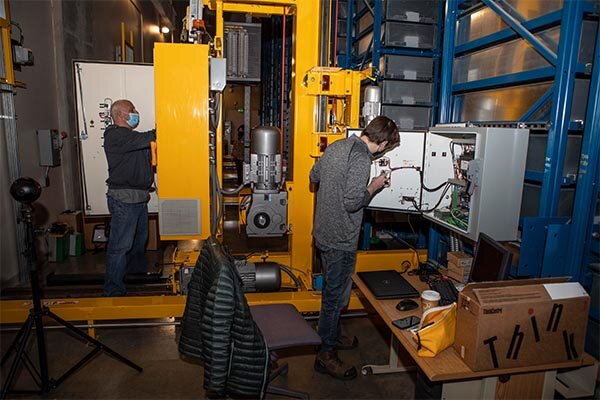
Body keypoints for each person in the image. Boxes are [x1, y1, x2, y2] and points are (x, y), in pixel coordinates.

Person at [310, 116, 400, 380]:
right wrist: (373, 187)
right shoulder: (361, 158)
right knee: (334, 298)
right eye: (387, 147)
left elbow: (313, 175)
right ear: (382, 143)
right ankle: (325, 354)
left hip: (324, 232)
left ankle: (333, 335)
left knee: (332, 290)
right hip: (340, 238)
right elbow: (352, 202)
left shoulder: (337, 146)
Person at [103, 99, 156, 296]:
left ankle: (135, 276)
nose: (136, 112)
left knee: (139, 241)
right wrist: (167, 127)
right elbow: (149, 137)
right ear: (121, 115)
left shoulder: (131, 138)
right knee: (120, 246)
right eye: (132, 109)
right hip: (124, 199)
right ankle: (113, 289)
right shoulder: (115, 136)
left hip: (139, 199)